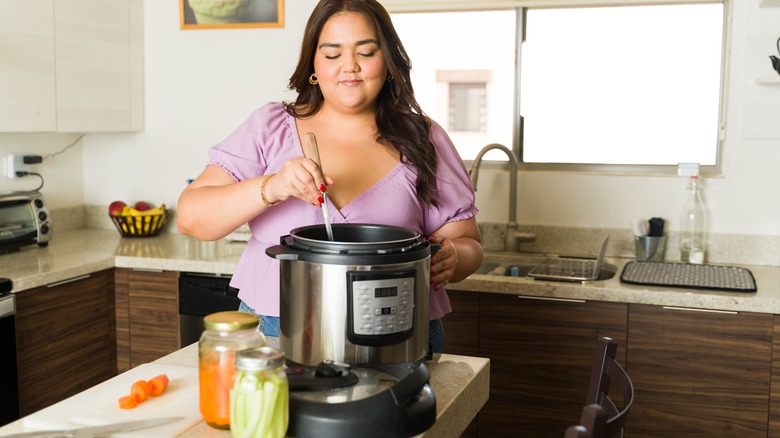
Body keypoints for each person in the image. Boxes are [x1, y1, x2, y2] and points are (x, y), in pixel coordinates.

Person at [177, 0, 483, 353]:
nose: (349, 67)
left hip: (398, 330)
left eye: (366, 52)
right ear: (313, 65)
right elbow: (192, 219)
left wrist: (455, 258)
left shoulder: (423, 137)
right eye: (332, 54)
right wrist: (271, 186)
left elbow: (469, 244)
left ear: (388, 63)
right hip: (277, 327)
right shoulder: (271, 127)